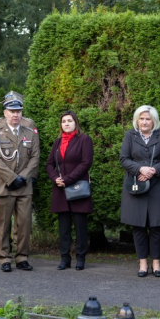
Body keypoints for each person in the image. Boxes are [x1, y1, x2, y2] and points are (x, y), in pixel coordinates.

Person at [0, 92, 40, 272]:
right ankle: (4, 258)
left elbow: (35, 158)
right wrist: (11, 178)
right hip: (4, 185)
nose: (16, 114)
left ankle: (22, 257)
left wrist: (23, 177)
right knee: (3, 224)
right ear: (5, 113)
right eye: (12, 111)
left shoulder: (30, 132)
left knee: (24, 223)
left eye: (18, 111)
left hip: (24, 186)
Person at [120, 106, 160, 277]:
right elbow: (124, 158)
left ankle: (156, 264)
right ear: (137, 120)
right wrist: (140, 169)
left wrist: (153, 170)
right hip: (136, 185)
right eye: (142, 118)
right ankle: (143, 263)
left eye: (148, 119)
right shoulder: (130, 135)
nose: (144, 122)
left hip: (158, 187)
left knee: (157, 227)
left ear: (154, 121)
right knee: (139, 226)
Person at [45, 111, 94, 271]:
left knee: (80, 225)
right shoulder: (58, 141)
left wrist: (67, 179)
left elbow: (86, 163)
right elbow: (49, 164)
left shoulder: (84, 140)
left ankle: (81, 258)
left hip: (77, 186)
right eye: (64, 121)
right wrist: (55, 179)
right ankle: (65, 258)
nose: (66, 123)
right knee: (63, 226)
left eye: (70, 121)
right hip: (60, 189)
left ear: (76, 123)